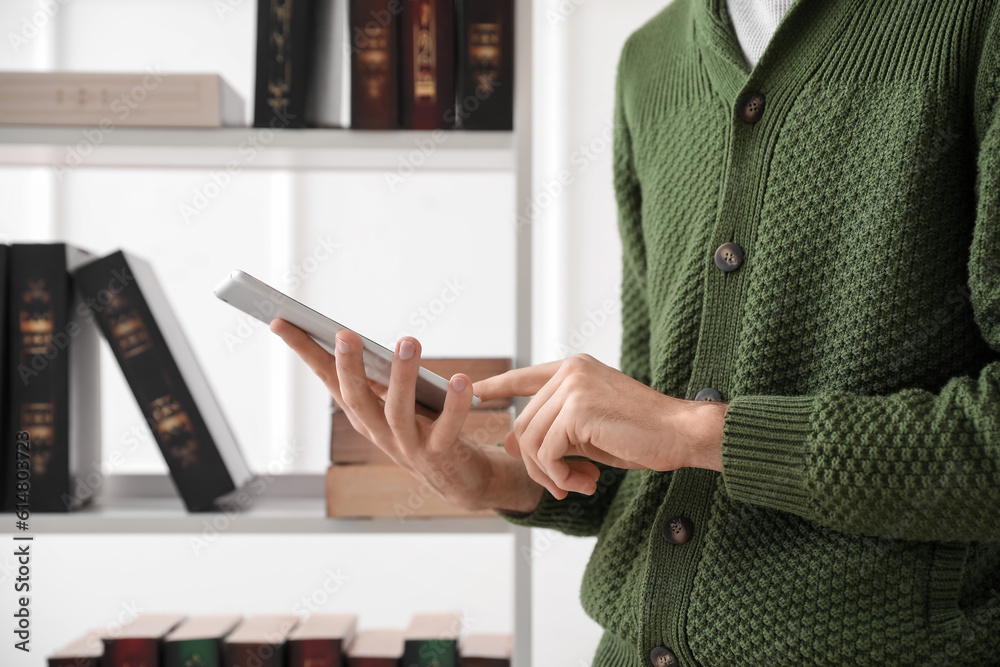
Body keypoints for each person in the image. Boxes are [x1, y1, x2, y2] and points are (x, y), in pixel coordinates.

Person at [272, 0, 1000, 664]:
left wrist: (699, 430)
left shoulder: (973, 25)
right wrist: (498, 477)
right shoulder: (649, 62)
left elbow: (684, 429)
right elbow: (653, 447)